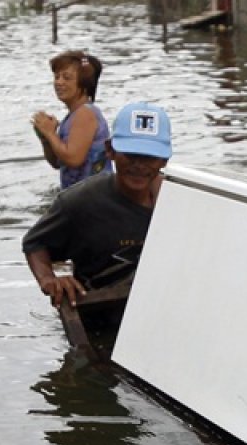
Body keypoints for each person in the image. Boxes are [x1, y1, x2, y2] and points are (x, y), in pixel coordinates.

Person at [22, 101, 172, 308]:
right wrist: (49, 279)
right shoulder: (80, 201)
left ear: (164, 159)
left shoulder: (178, 202)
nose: (139, 166)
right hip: (97, 310)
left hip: (157, 307)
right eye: (130, 155)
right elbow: (34, 243)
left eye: (149, 158)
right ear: (110, 151)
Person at [31, 50, 112, 189]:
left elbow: (73, 159)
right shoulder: (73, 115)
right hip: (78, 195)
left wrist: (51, 133)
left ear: (84, 84)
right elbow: (57, 162)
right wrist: (46, 138)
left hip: (93, 196)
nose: (59, 82)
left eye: (66, 78)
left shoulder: (85, 114)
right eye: (56, 77)